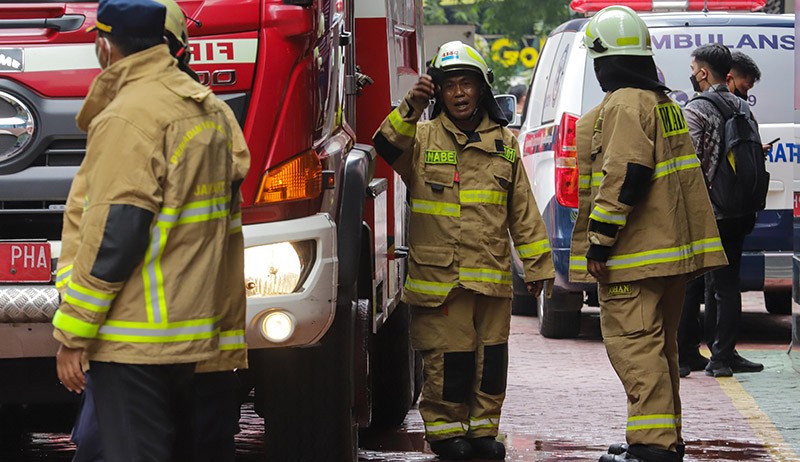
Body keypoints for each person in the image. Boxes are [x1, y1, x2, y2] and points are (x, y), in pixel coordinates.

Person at [52, 0, 242, 460]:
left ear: (104, 47)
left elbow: (116, 234)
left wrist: (73, 334)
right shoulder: (211, 112)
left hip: (134, 337)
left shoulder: (130, 117)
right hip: (192, 332)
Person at [372, 40, 554, 460]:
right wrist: (410, 105)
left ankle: (483, 433)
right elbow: (384, 145)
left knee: (491, 362)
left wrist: (538, 266)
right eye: (449, 85)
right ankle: (445, 434)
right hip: (441, 281)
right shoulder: (420, 137)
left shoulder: (505, 144)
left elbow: (523, 212)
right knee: (448, 363)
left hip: (489, 278)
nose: (458, 93)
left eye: (466, 84)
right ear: (438, 92)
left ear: (482, 89)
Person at [568, 6, 727, 462]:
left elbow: (626, 174)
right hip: (669, 257)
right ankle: (663, 438)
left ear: (606, 61)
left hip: (634, 258)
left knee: (636, 350)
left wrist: (599, 241)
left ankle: (652, 447)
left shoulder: (623, 104)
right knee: (661, 352)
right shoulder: (663, 103)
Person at [677, 49, 768, 378]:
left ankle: (685, 355)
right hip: (740, 208)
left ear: (703, 73)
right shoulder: (742, 105)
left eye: (692, 68)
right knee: (726, 284)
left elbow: (690, 161)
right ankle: (722, 356)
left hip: (708, 210)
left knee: (691, 282)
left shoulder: (696, 109)